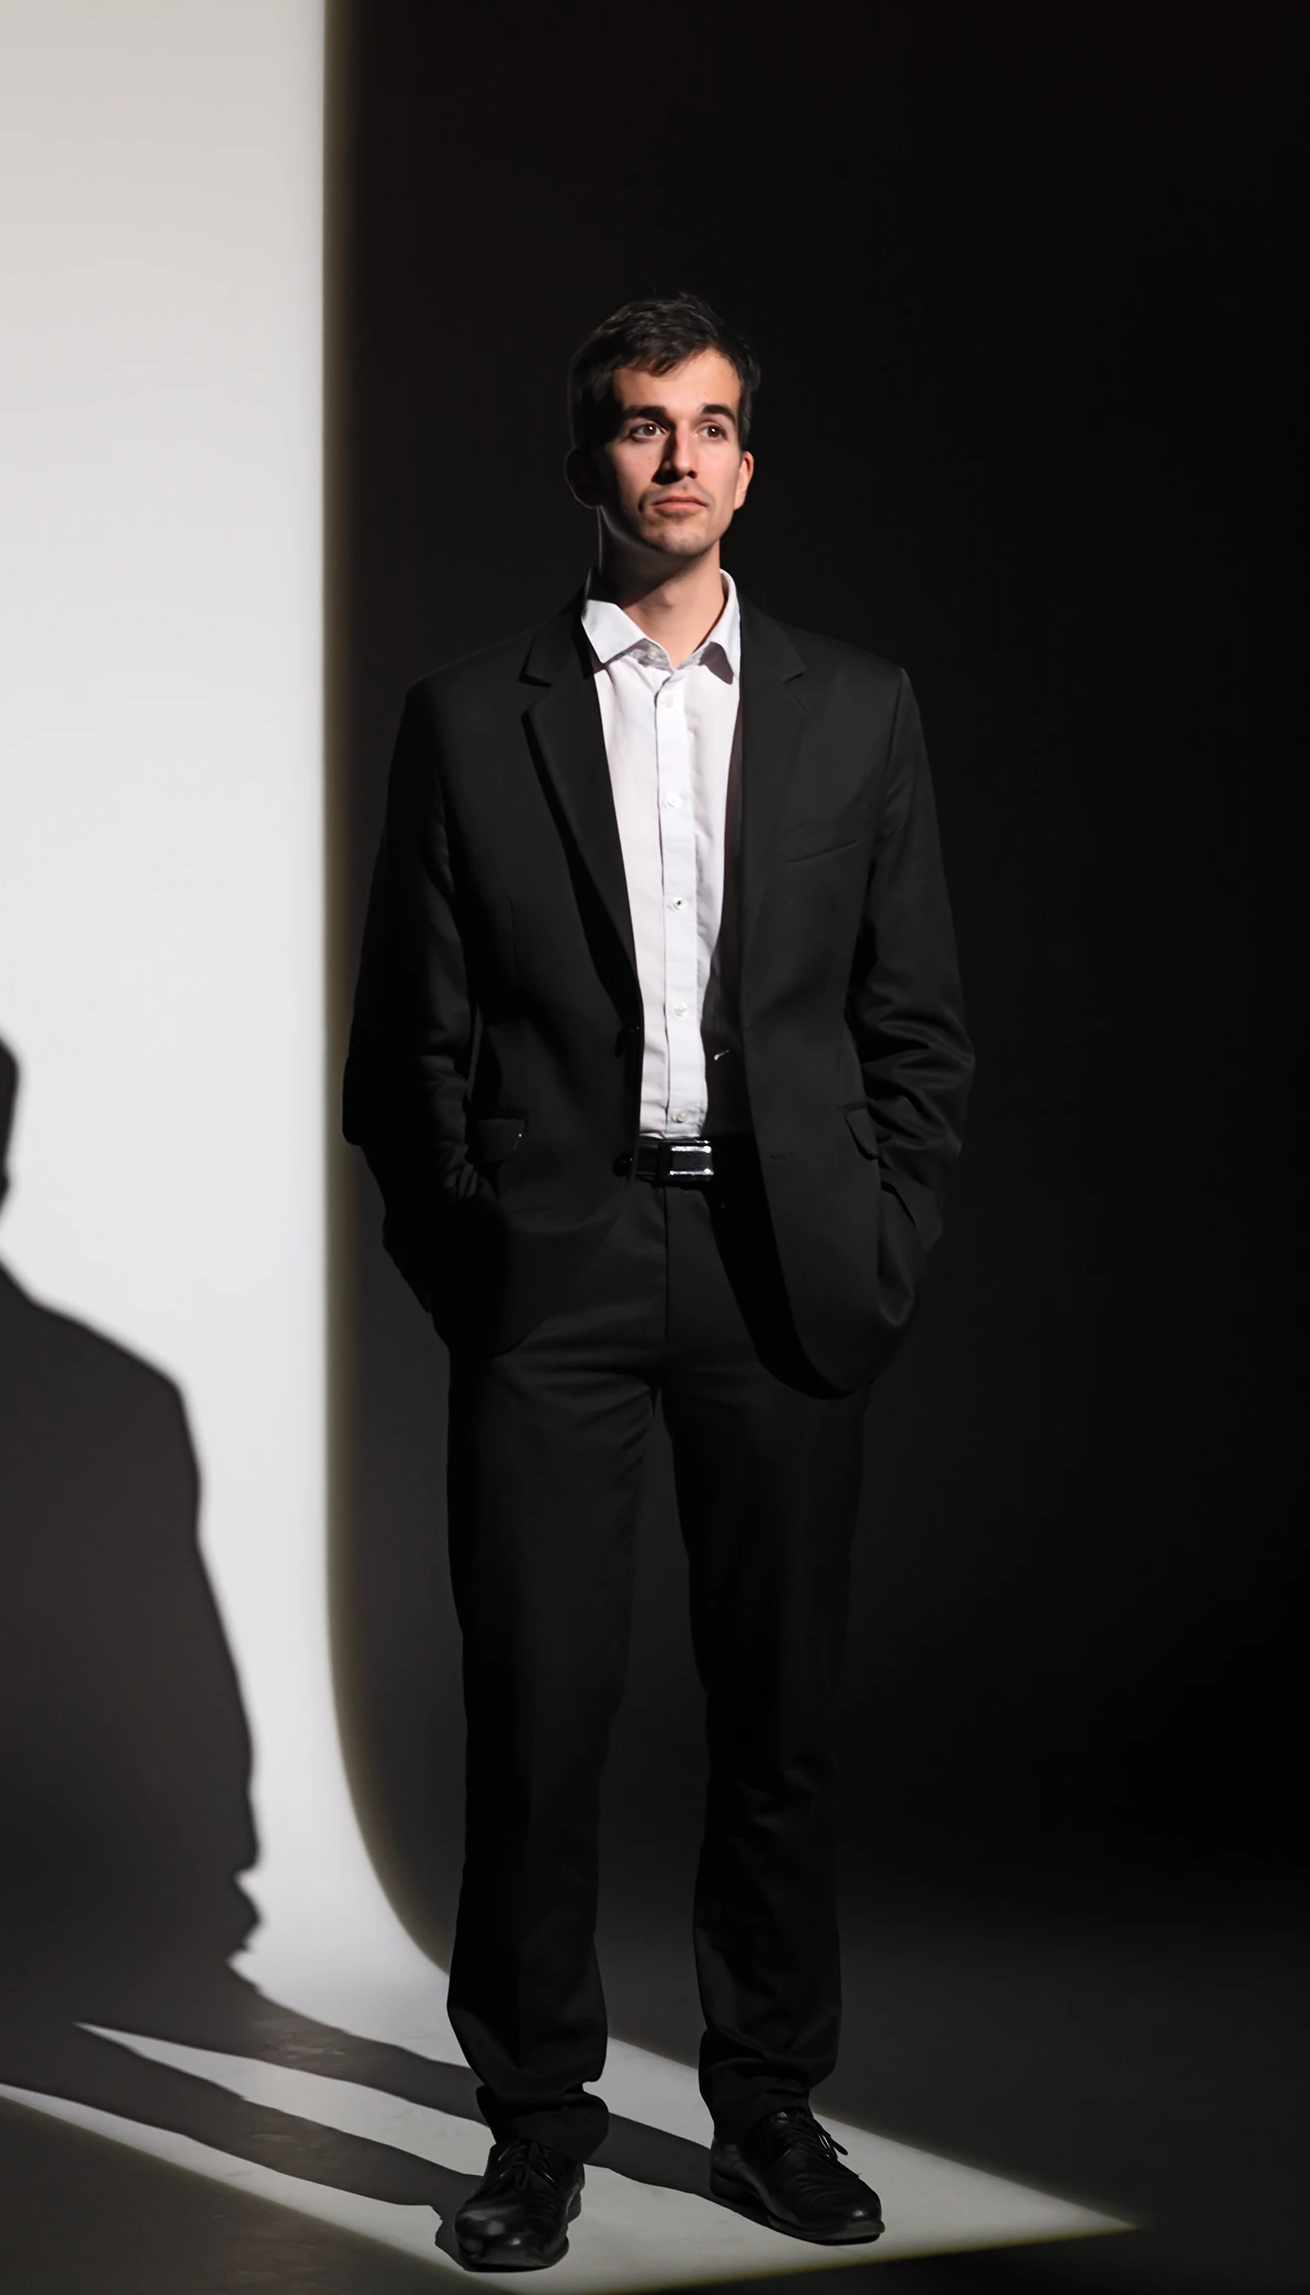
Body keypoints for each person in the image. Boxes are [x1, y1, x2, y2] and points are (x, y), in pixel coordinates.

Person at [344, 294, 973, 2269]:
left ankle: (767, 2104)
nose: (679, 456)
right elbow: (399, 1053)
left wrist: (879, 1228)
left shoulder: (859, 706)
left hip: (783, 1268)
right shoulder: (468, 715)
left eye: (710, 426)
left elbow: (916, 1032)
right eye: (640, 425)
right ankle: (532, 2125)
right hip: (561, 1271)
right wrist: (496, 1259)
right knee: (536, 1711)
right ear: (586, 464)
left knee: (775, 1718)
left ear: (747, 467)